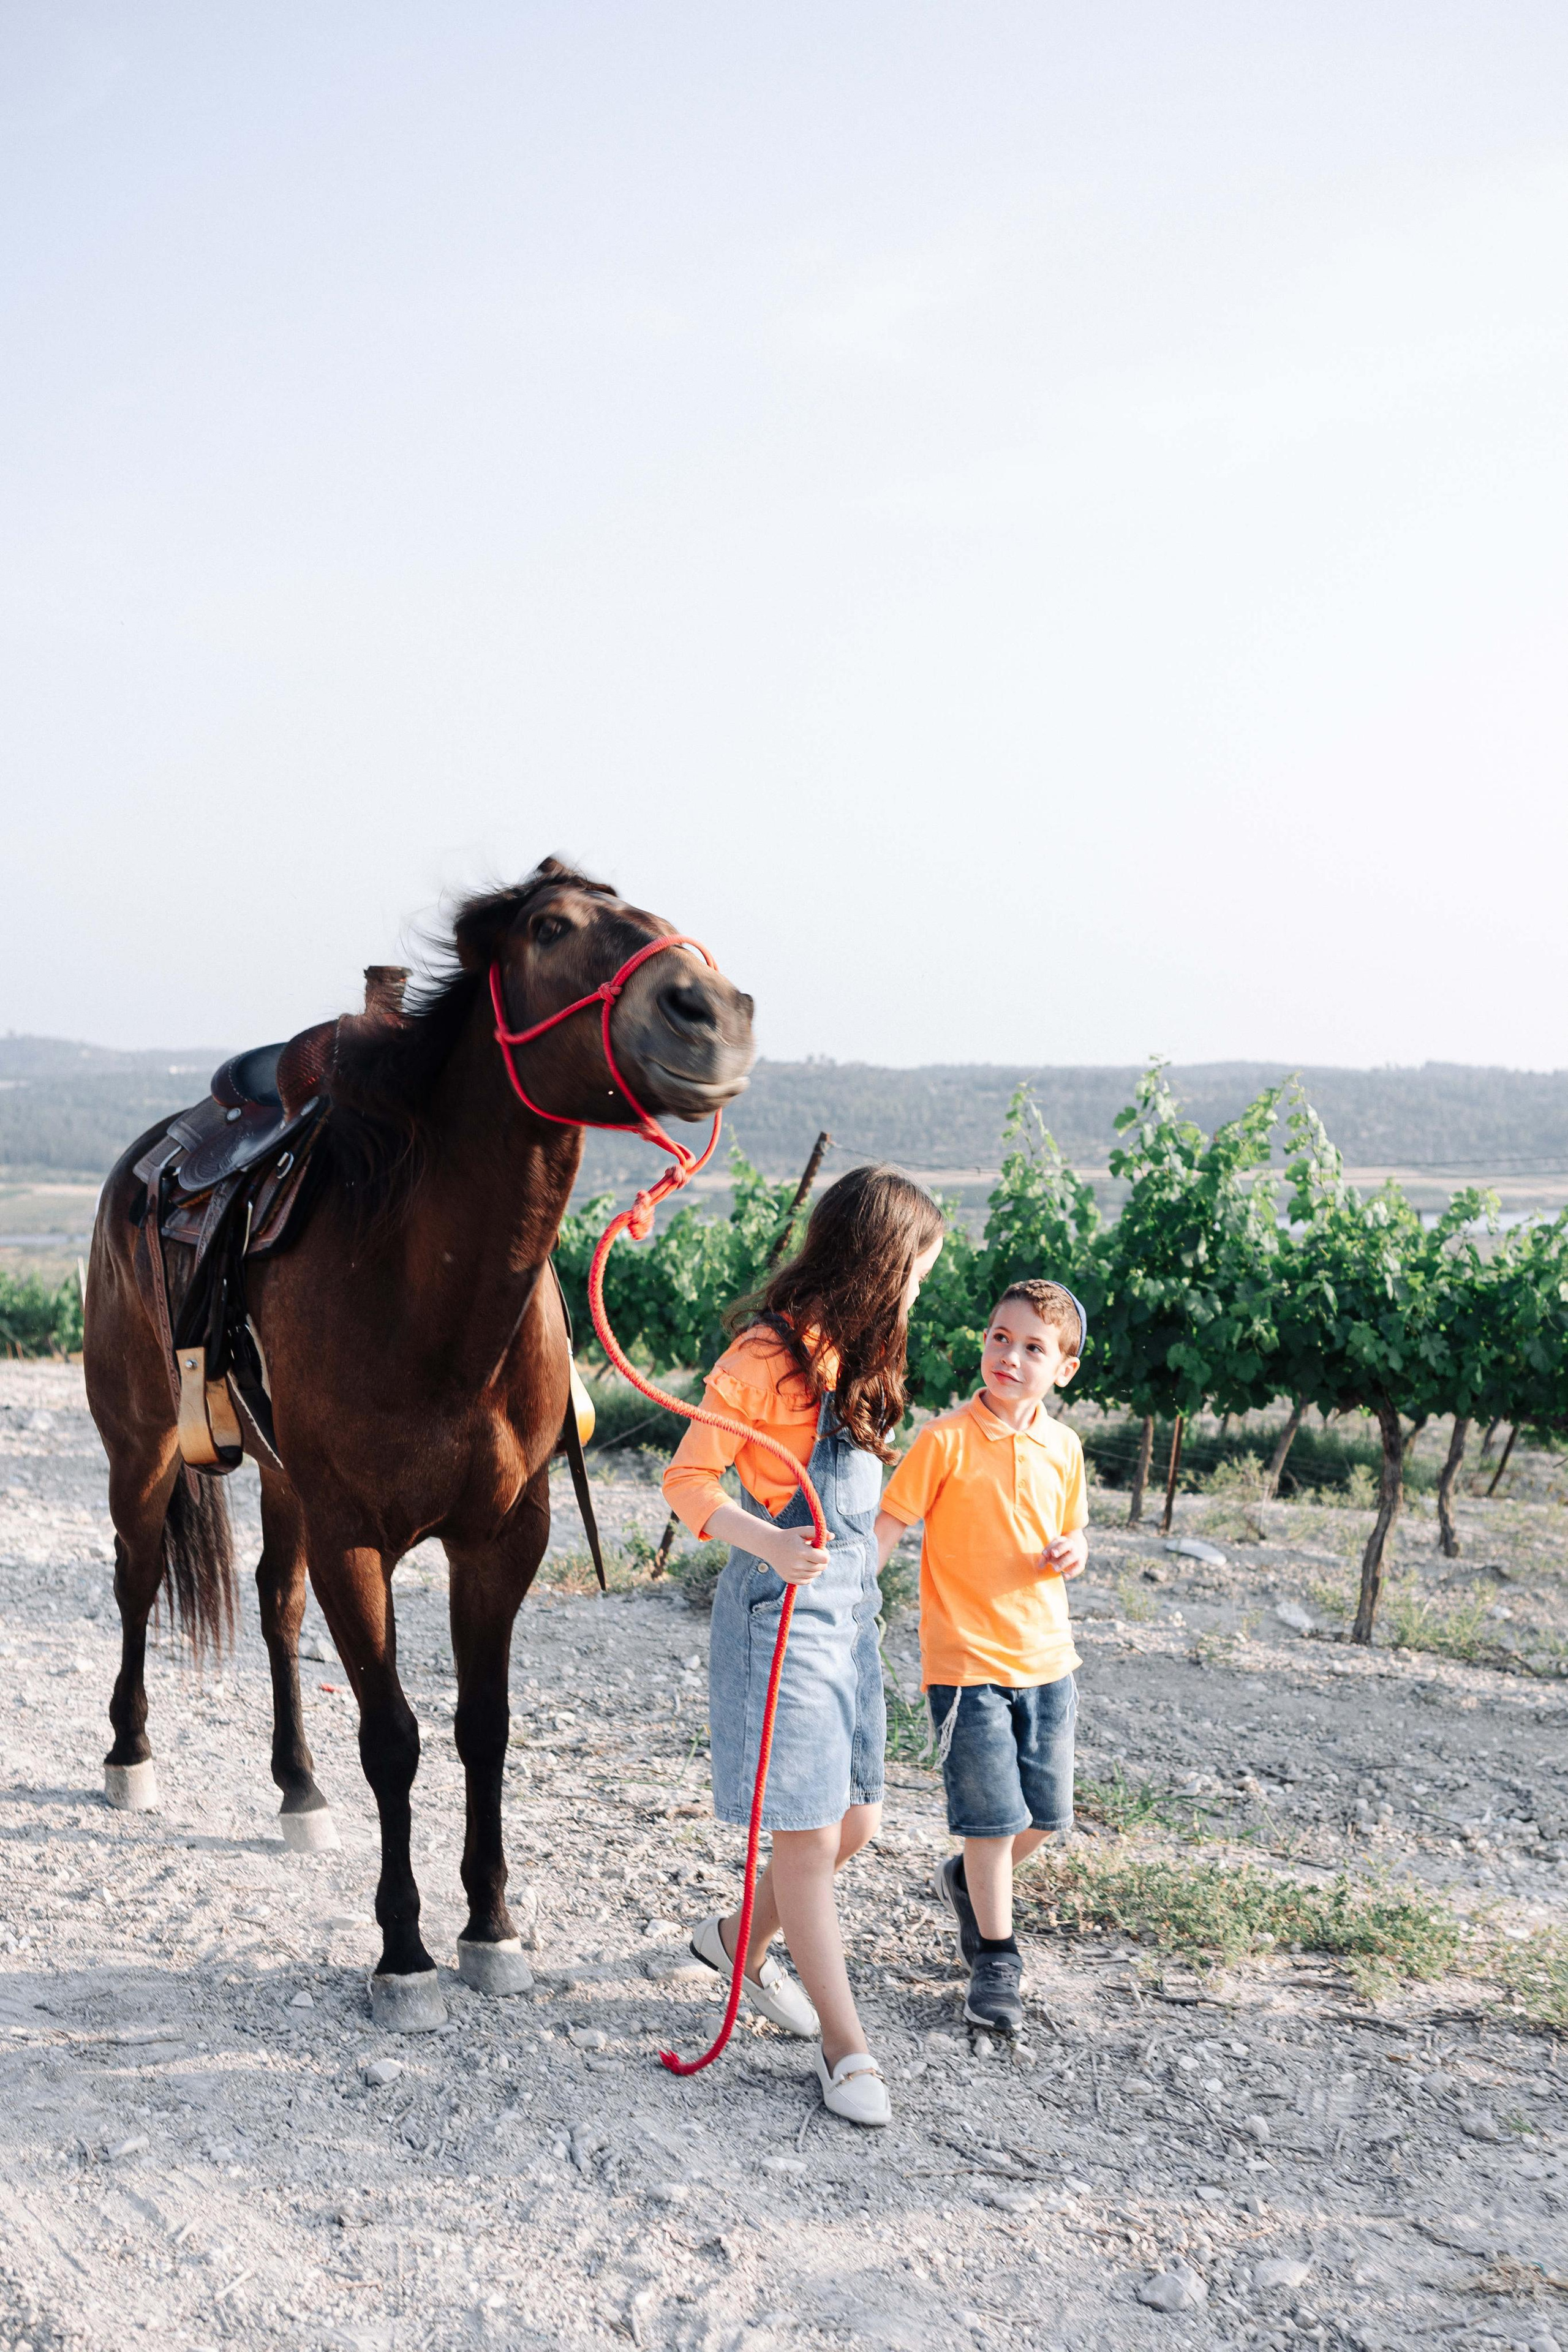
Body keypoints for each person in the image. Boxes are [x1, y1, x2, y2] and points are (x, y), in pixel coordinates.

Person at [663, 1164, 944, 2127]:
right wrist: (769, 1541)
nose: (919, 1293)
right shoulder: (760, 1359)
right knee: (811, 1839)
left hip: (848, 1620)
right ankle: (845, 2046)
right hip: (778, 1618)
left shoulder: (862, 1356)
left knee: (854, 1825)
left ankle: (733, 1942)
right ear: (878, 1262)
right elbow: (688, 1484)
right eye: (916, 1273)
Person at [874, 1278, 1088, 2037]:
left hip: (1048, 1661)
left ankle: (965, 1882)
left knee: (1044, 1817)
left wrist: (1075, 1550)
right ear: (984, 1343)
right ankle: (996, 1959)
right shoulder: (944, 1441)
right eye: (1001, 1338)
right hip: (966, 1664)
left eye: (1034, 1348)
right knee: (992, 1823)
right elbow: (890, 1524)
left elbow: (1072, 1531)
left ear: (1062, 1369)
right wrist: (843, 1598)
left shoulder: (1065, 1447)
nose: (1011, 1356)